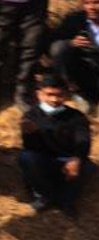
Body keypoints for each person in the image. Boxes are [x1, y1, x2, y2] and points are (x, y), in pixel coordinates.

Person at [17, 73, 89, 216]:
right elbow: (31, 148)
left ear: (66, 95)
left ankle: (65, 201)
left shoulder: (76, 117)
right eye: (49, 94)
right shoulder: (31, 115)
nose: (54, 99)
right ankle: (47, 196)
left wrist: (76, 159)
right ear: (39, 94)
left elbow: (83, 142)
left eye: (59, 95)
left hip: (67, 162)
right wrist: (29, 134)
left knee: (87, 167)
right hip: (44, 162)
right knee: (26, 157)